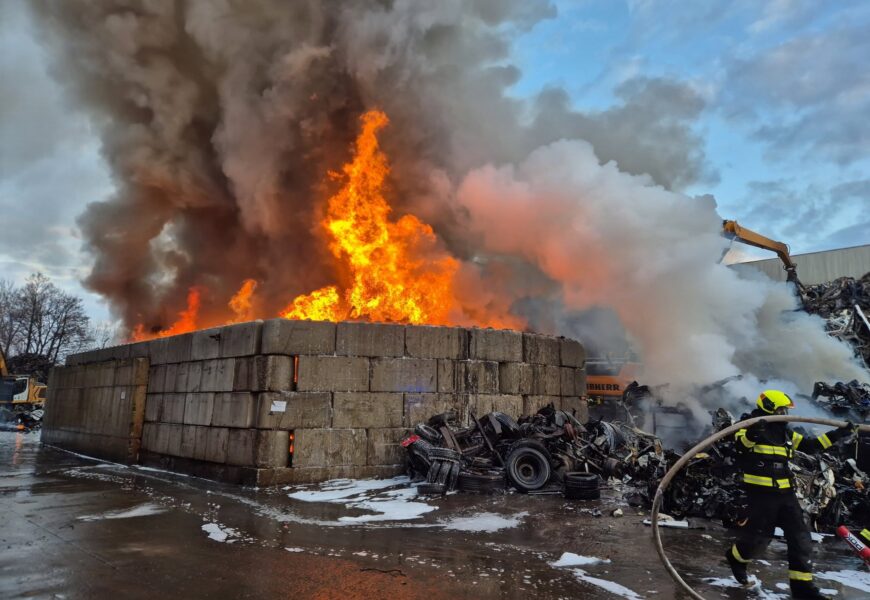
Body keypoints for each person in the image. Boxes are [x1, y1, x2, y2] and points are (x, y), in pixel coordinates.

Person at [724, 389, 857, 599]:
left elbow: (811, 445)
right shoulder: (749, 425)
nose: (785, 412)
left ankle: (803, 589)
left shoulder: (784, 432)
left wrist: (838, 434)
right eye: (781, 409)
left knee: (800, 538)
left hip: (786, 495)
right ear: (769, 407)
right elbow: (741, 446)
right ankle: (736, 558)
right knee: (759, 539)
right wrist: (753, 433)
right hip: (761, 495)